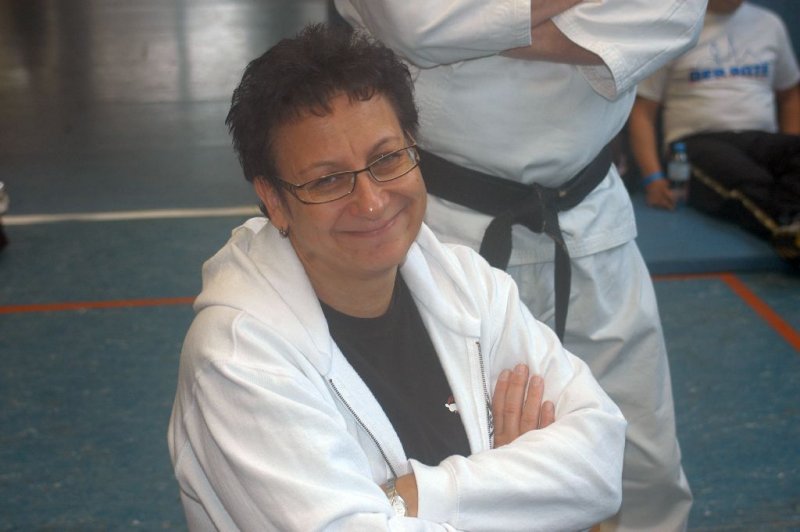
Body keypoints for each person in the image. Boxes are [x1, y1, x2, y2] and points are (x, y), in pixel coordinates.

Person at [167, 24, 626, 531]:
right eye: (327, 180)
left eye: (386, 159)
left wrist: (406, 498)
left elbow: (600, 461)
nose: (370, 202)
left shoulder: (467, 284)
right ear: (274, 199)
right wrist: (523, 492)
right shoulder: (238, 359)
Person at [334, 1, 705, 530]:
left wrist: (471, 32)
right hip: (445, 231)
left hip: (591, 224)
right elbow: (414, 22)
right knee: (453, 470)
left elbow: (675, 12)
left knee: (644, 466)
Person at [629, 0, 800, 267]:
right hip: (696, 143)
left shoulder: (770, 24)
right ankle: (789, 231)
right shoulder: (674, 27)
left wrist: (788, 148)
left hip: (761, 139)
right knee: (747, 180)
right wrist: (653, 178)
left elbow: (790, 96)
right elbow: (643, 111)